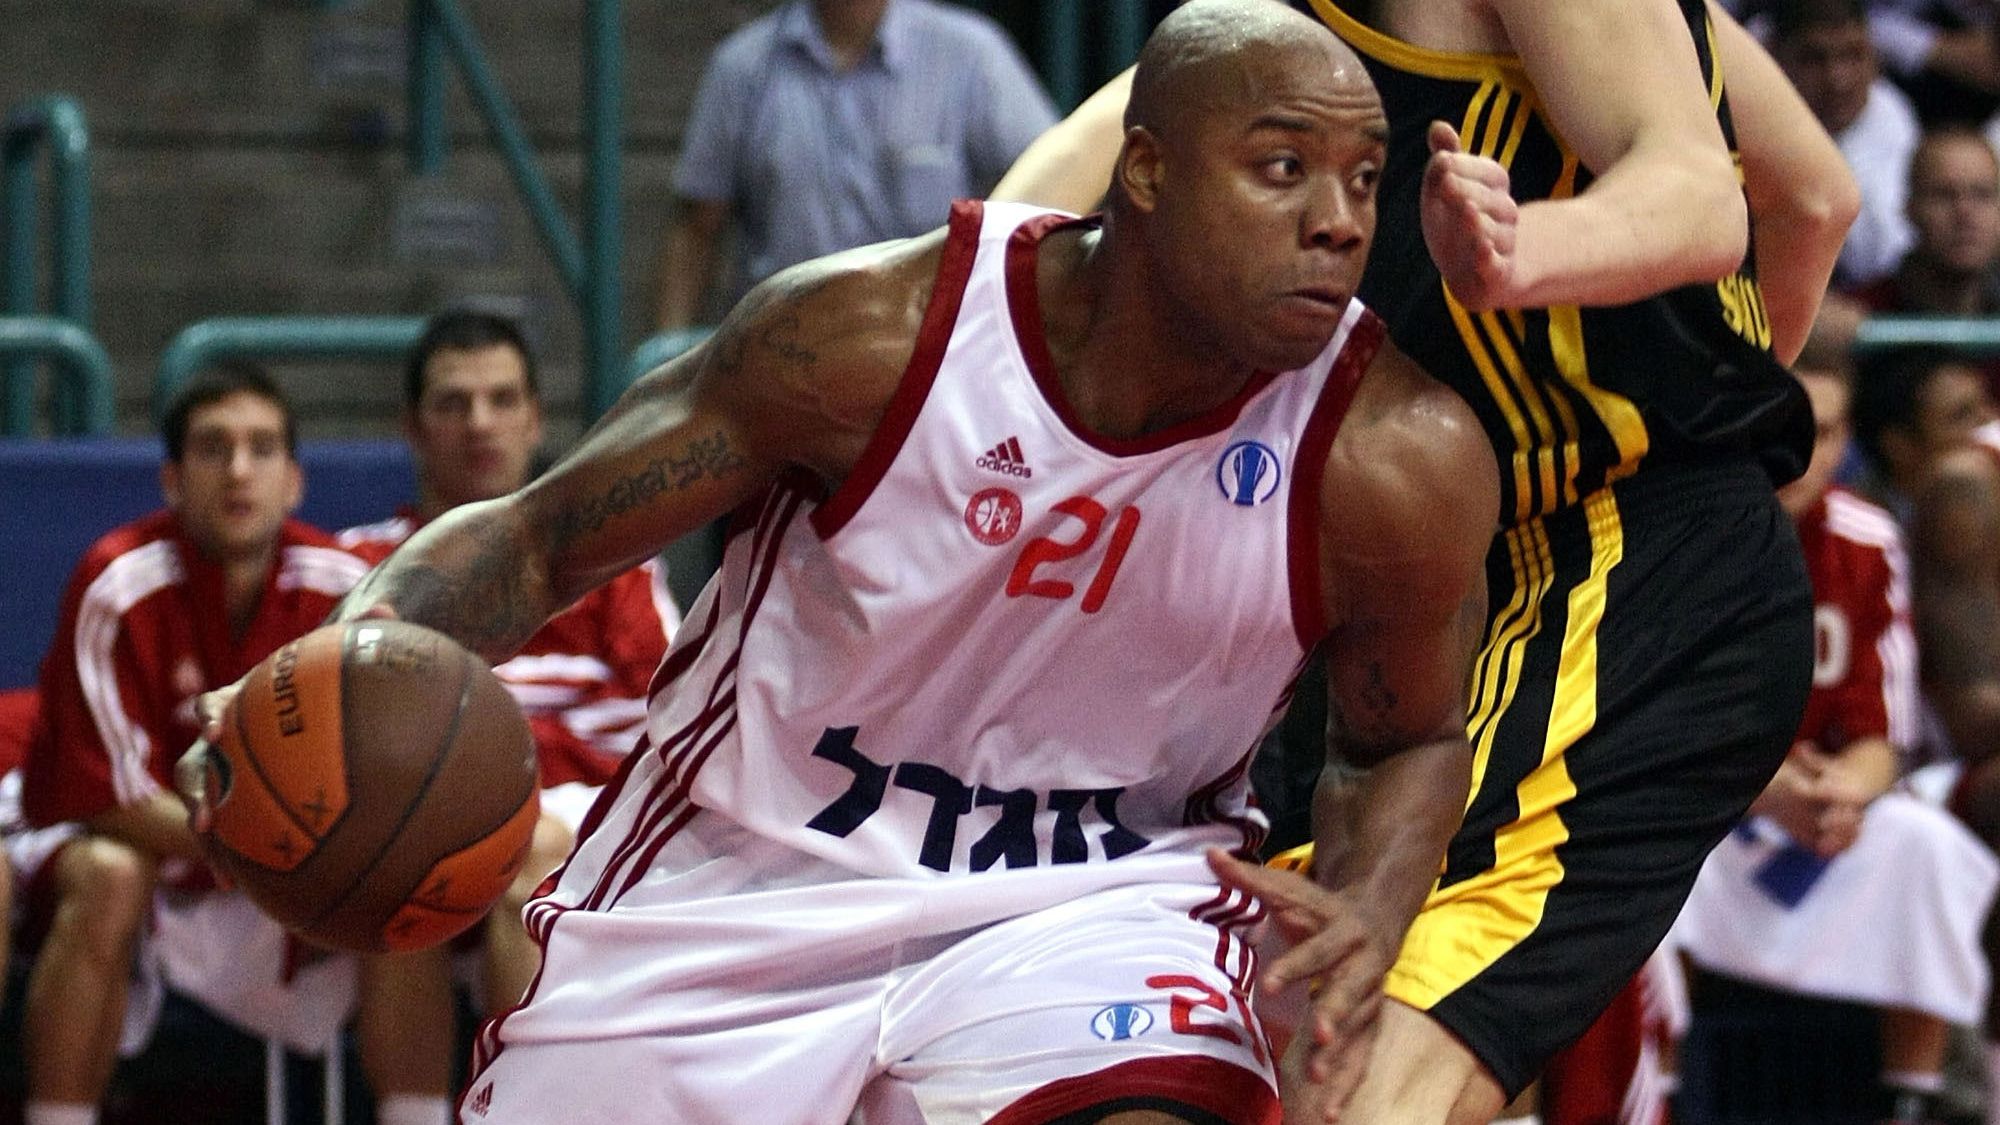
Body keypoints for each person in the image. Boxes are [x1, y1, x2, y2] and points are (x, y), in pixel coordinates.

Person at [187, 3, 1504, 1121]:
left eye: (1364, 177)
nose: (1339, 221)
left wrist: (1373, 910)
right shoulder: (867, 342)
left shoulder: (1392, 461)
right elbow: (537, 536)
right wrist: (332, 666)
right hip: (741, 881)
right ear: (1147, 172)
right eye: (1283, 170)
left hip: (1091, 902)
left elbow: (1406, 739)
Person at [995, 0, 1859, 1120]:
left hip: (1612, 565)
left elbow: (1701, 197)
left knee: (1348, 1068)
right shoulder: (1259, 37)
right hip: (1428, 593)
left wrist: (1534, 269)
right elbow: (1814, 198)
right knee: (1239, 1028)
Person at [334, 309, 679, 1125]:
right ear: (413, 426)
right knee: (395, 849)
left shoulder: (614, 560)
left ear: (533, 416)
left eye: (500, 399)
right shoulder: (354, 566)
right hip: (408, 825)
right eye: (453, 403)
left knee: (511, 844)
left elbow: (656, 729)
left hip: (577, 819)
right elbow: (332, 730)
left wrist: (488, 765)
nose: (479, 422)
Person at [17, 365, 370, 1125]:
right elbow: (108, 798)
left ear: (295, 480)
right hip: (104, 836)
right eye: (215, 448)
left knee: (398, 878)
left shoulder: (352, 593)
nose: (239, 469)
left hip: (255, 864)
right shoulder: (117, 580)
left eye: (262, 447)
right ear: (174, 479)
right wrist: (271, 850)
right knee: (113, 874)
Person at [1669, 357, 1998, 1125]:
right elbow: (1662, 721)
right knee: (1634, 856)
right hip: (1707, 804)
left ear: (1846, 441)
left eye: (1819, 434)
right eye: (1780, 431)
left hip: (1820, 805)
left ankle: (1912, 1099)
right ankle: (1667, 1092)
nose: (1799, 455)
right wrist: (1771, 787)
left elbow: (1885, 730)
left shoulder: (1868, 535)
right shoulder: (1682, 534)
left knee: (1927, 846)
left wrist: (1841, 792)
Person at [654, 0, 1058, 331]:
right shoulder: (743, 68)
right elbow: (696, 228)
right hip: (785, 353)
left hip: (935, 353)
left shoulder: (970, 55)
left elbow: (1054, 185)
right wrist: (668, 353)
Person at [1767, 0, 1921, 290]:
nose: (1837, 79)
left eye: (1853, 55)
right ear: (1774, 54)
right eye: (1814, 59)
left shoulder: (1895, 115)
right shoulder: (1746, 124)